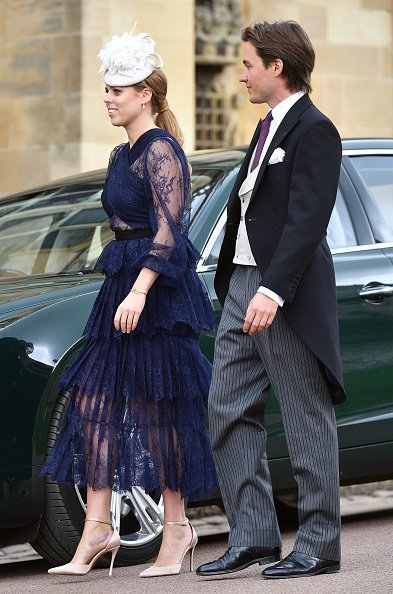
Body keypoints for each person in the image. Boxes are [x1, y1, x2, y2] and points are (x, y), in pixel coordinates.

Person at [41, 27, 217, 578]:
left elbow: (170, 231)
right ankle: (97, 529)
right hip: (122, 285)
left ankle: (178, 528)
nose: (108, 98)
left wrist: (140, 290)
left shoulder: (161, 150)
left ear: (146, 94)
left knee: (160, 412)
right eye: (107, 89)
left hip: (155, 292)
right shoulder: (123, 154)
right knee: (94, 405)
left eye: (118, 89)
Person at [196, 20, 346, 581]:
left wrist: (272, 289)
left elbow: (307, 222)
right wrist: (240, 284)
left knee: (306, 417)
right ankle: (254, 536)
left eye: (248, 64)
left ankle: (319, 545)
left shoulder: (315, 130)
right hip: (239, 285)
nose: (241, 74)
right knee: (227, 408)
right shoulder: (265, 127)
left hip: (282, 292)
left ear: (275, 67)